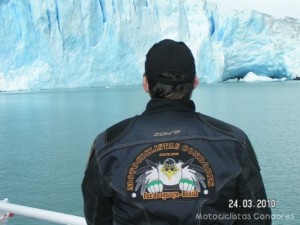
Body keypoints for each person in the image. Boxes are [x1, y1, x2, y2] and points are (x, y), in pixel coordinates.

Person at [81, 39, 271, 225]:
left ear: (146, 83)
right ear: (195, 82)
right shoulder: (235, 142)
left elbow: (97, 217)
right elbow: (259, 217)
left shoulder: (107, 145)